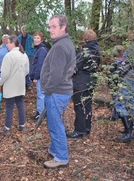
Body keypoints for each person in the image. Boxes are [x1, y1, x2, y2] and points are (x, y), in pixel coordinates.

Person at [40, 15, 76, 168]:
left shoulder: (60, 46)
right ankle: (55, 149)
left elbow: (56, 74)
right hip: (60, 91)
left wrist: (47, 89)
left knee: (55, 125)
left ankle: (61, 157)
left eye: (54, 26)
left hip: (56, 92)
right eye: (49, 27)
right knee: (55, 122)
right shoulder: (64, 43)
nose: (50, 30)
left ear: (63, 27)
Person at [66, 29, 100, 138]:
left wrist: (68, 75)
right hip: (91, 81)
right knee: (87, 105)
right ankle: (87, 127)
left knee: (79, 106)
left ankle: (79, 130)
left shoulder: (84, 51)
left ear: (85, 39)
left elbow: (75, 67)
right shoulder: (97, 52)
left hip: (81, 82)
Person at [0, 35, 29, 136]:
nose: (6, 45)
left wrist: (0, 82)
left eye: (7, 43)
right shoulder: (24, 55)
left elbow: (5, 74)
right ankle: (22, 125)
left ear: (12, 43)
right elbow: (27, 71)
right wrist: (19, 77)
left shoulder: (9, 56)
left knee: (9, 106)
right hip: (20, 85)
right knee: (20, 104)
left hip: (10, 86)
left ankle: (7, 128)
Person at [114, 36, 134, 143]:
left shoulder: (133, 48)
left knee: (120, 103)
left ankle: (129, 132)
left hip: (130, 79)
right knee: (132, 105)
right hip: (132, 79)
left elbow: (132, 65)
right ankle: (128, 130)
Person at [29, 32, 47, 121]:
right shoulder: (38, 49)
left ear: (41, 40)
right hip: (39, 76)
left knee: (41, 95)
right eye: (35, 38)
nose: (36, 40)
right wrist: (31, 75)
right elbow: (34, 63)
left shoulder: (42, 50)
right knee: (40, 94)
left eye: (38, 38)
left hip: (41, 76)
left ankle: (40, 114)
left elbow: (40, 65)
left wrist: (36, 77)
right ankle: (40, 112)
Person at [107, 45, 125, 121]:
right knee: (120, 99)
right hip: (122, 83)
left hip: (114, 83)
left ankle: (116, 115)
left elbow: (109, 72)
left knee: (116, 99)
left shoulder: (114, 61)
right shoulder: (125, 60)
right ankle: (117, 115)